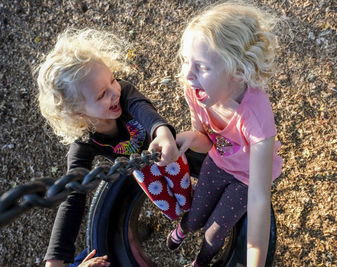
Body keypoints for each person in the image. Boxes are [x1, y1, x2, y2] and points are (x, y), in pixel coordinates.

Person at [36, 28, 192, 267]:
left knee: (185, 194)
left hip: (161, 151)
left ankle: (194, 213)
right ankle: (178, 221)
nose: (114, 92)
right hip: (141, 171)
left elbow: (142, 108)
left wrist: (161, 131)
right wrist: (55, 258)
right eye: (101, 95)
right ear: (78, 112)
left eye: (112, 80)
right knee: (168, 207)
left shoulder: (124, 92)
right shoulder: (83, 142)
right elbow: (73, 195)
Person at [166, 1, 283, 266]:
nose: (187, 74)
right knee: (195, 214)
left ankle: (201, 261)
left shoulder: (257, 120)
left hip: (246, 179)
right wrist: (189, 138)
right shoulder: (195, 92)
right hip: (218, 162)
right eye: (186, 61)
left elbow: (259, 200)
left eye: (202, 67)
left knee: (214, 233)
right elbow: (206, 139)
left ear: (238, 72)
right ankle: (183, 230)